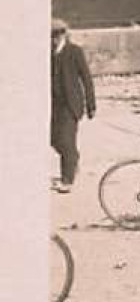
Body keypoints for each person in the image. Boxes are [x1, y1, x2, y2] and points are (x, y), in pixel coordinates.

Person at [50, 18, 95, 193]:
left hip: (71, 105)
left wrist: (91, 104)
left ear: (63, 34)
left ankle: (67, 180)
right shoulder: (48, 53)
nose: (52, 40)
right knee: (53, 139)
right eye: (50, 36)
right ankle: (73, 160)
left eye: (55, 35)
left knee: (66, 140)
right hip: (54, 104)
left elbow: (86, 78)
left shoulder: (75, 51)